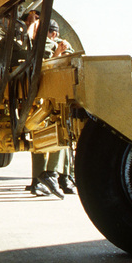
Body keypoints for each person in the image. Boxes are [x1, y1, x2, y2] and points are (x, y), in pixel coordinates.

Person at [27, 20, 76, 198]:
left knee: (46, 138)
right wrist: (59, 51)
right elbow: (47, 64)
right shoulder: (45, 44)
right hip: (47, 97)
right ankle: (50, 176)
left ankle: (48, 178)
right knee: (57, 136)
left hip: (45, 97)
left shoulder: (43, 43)